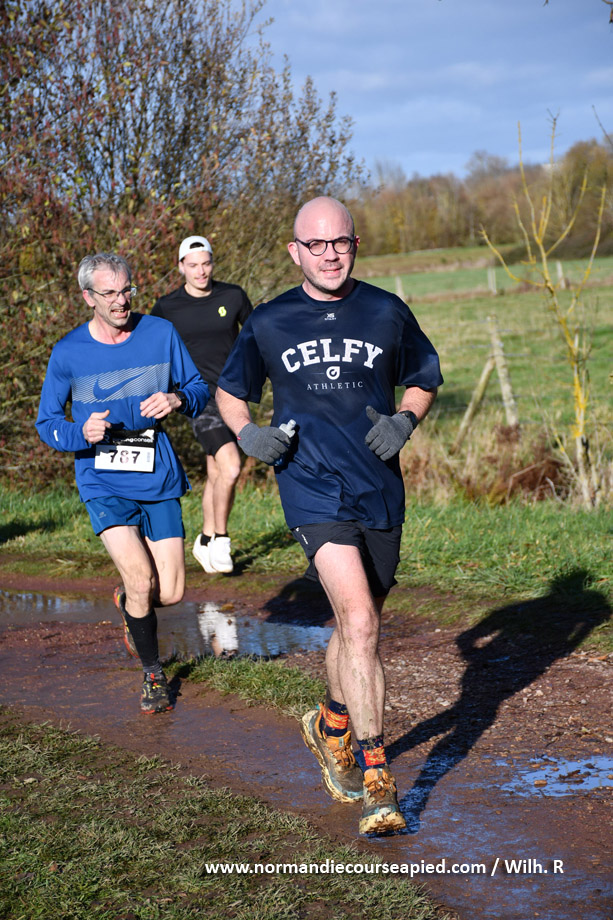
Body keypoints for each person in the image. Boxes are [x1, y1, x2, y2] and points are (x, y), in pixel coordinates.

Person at [216, 197, 442, 836]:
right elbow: (231, 391)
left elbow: (424, 377)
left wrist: (405, 420)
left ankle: (331, 723)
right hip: (310, 487)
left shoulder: (386, 311)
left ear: (355, 244)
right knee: (361, 622)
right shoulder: (269, 320)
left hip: (378, 487)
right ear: (295, 251)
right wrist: (248, 434)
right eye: (315, 244)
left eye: (340, 242)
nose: (329, 254)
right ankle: (378, 782)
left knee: (357, 624)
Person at [36, 253, 209, 715]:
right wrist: (80, 432)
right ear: (88, 297)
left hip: (157, 473)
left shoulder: (160, 333)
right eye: (109, 293)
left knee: (170, 592)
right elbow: (47, 423)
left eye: (126, 289)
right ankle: (153, 676)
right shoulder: (68, 352)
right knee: (140, 577)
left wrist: (177, 398)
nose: (121, 301)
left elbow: (199, 388)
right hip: (101, 478)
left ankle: (130, 604)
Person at [151, 236, 253, 576]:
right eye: (193, 265)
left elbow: (256, 336)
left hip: (233, 395)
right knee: (232, 466)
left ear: (212, 262)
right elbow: (149, 349)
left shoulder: (233, 296)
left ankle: (206, 539)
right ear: (181, 267)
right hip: (197, 398)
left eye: (206, 263)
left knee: (217, 471)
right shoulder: (167, 307)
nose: (201, 271)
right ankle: (221, 539)